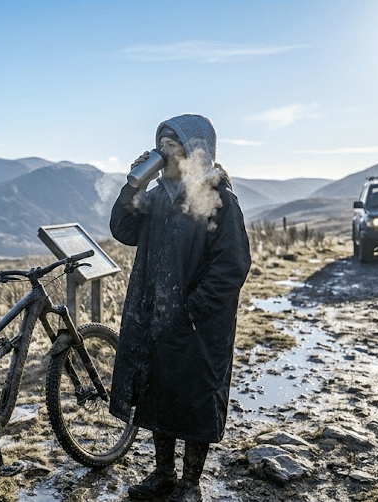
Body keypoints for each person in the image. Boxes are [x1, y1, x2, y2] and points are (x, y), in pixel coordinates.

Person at [108, 114, 251, 502]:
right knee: (159, 391)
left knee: (195, 394)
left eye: (172, 144)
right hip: (156, 315)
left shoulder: (219, 198)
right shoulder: (155, 197)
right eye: (162, 142)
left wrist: (192, 310)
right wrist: (132, 185)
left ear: (194, 150)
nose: (163, 151)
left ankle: (190, 484)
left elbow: (232, 265)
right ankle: (163, 474)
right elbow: (122, 230)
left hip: (197, 322)